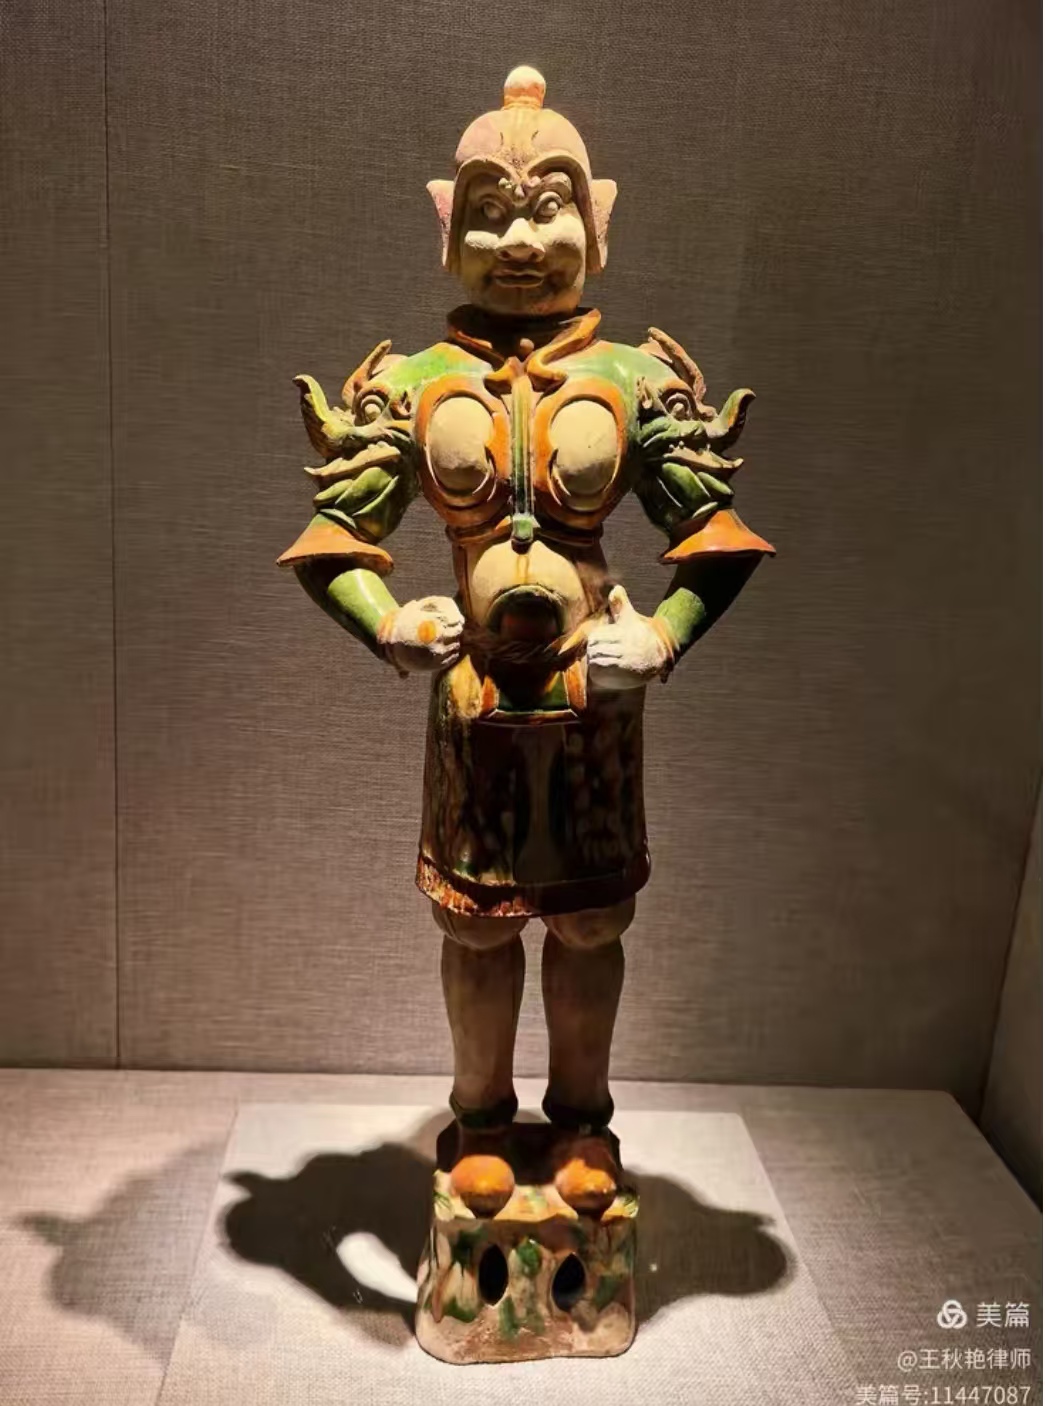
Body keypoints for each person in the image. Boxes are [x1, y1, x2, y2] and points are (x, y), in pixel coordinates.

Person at [279, 66, 773, 1217]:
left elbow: (715, 539)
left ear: (597, 221)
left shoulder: (635, 382)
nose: (518, 240)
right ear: (446, 225)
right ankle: (484, 1116)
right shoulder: (414, 387)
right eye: (490, 212)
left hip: (596, 697)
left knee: (591, 919)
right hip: (474, 700)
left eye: (546, 206)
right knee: (475, 923)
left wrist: (662, 637)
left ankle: (584, 1119)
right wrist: (389, 622)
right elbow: (333, 541)